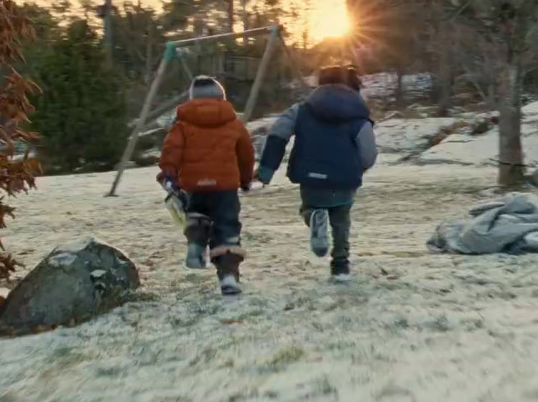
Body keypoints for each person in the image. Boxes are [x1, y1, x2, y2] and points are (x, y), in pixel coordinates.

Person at [257, 64, 377, 282]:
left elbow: (278, 134)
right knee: (341, 221)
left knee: (311, 207)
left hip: (310, 176)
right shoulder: (358, 115)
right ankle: (340, 267)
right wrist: (359, 168)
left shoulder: (301, 110)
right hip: (344, 180)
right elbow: (368, 151)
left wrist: (266, 170)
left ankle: (314, 216)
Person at [158, 75, 257, 295]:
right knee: (227, 229)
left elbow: (171, 150)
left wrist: (169, 174)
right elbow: (246, 154)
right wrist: (245, 180)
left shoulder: (181, 124)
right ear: (222, 97)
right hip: (225, 187)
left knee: (196, 215)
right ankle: (229, 276)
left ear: (192, 98)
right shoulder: (234, 123)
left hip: (194, 185)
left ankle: (195, 242)